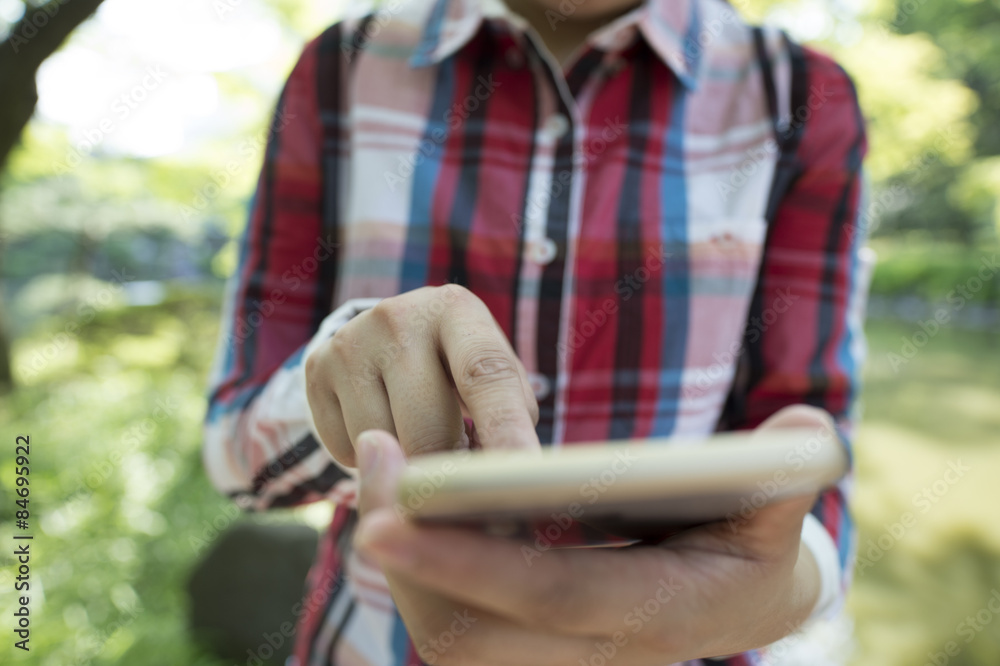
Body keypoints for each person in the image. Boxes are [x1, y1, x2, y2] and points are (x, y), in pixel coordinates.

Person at [202, 0, 869, 662]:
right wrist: (342, 378)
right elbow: (235, 449)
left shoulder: (801, 96)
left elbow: (816, 450)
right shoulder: (342, 67)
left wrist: (782, 587)